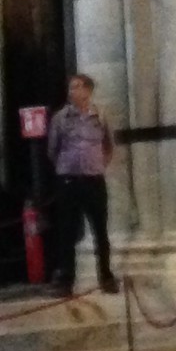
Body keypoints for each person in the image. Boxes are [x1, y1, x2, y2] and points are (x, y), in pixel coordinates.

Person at [44, 72, 118, 294]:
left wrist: (98, 165)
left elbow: (109, 145)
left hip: (94, 180)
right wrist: (67, 167)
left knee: (100, 231)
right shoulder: (60, 118)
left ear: (88, 90)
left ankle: (106, 276)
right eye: (71, 87)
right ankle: (66, 280)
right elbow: (52, 149)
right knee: (67, 231)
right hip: (69, 181)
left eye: (77, 86)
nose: (72, 91)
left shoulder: (100, 115)